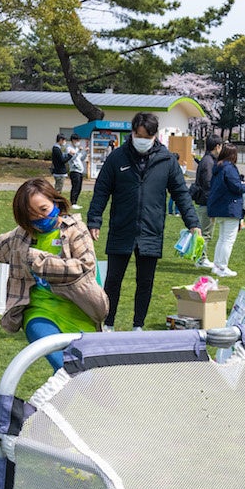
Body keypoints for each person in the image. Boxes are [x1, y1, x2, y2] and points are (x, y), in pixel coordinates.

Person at [0, 179, 108, 369]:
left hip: (79, 311)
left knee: (85, 376)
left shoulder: (75, 230)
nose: (39, 218)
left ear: (56, 202)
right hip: (39, 312)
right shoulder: (21, 236)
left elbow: (85, 267)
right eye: (31, 215)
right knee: (64, 367)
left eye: (44, 209)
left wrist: (42, 262)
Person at [87, 111, 199, 331]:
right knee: (113, 279)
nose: (142, 140)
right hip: (121, 227)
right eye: (139, 136)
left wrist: (192, 222)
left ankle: (138, 325)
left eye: (147, 137)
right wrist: (94, 221)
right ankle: (108, 323)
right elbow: (101, 190)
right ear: (132, 133)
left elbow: (181, 194)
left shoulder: (167, 160)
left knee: (145, 281)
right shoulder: (117, 158)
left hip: (151, 230)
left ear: (155, 136)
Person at [205, 143, 245, 278]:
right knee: (228, 239)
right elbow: (236, 186)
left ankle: (217, 265)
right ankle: (222, 267)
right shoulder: (229, 168)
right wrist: (244, 186)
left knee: (222, 238)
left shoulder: (218, 167)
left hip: (219, 208)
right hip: (230, 208)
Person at [189, 136, 223, 270]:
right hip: (207, 202)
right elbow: (209, 183)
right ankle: (201, 258)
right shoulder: (209, 162)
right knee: (205, 233)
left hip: (205, 200)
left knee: (204, 232)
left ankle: (200, 257)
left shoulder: (206, 160)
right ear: (217, 146)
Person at [65, 134, 85, 210]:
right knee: (75, 187)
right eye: (77, 140)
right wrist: (78, 151)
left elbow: (81, 159)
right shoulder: (69, 148)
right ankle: (72, 203)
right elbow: (72, 158)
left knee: (79, 187)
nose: (78, 142)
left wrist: (85, 152)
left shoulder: (76, 148)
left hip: (80, 170)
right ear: (73, 140)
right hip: (74, 170)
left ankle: (75, 202)